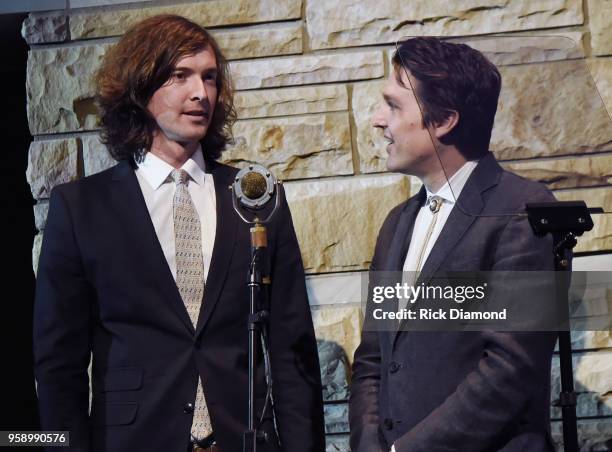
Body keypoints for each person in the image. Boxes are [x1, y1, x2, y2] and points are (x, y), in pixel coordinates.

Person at [33, 14, 325, 452]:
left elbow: (292, 349)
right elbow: (59, 366)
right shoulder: (81, 209)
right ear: (140, 89)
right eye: (179, 76)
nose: (200, 93)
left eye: (209, 78)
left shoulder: (256, 199)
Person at [349, 37, 558, 451]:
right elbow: (373, 359)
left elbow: (510, 368)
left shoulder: (523, 210)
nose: (377, 120)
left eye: (393, 105)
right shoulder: (397, 224)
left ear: (443, 120)